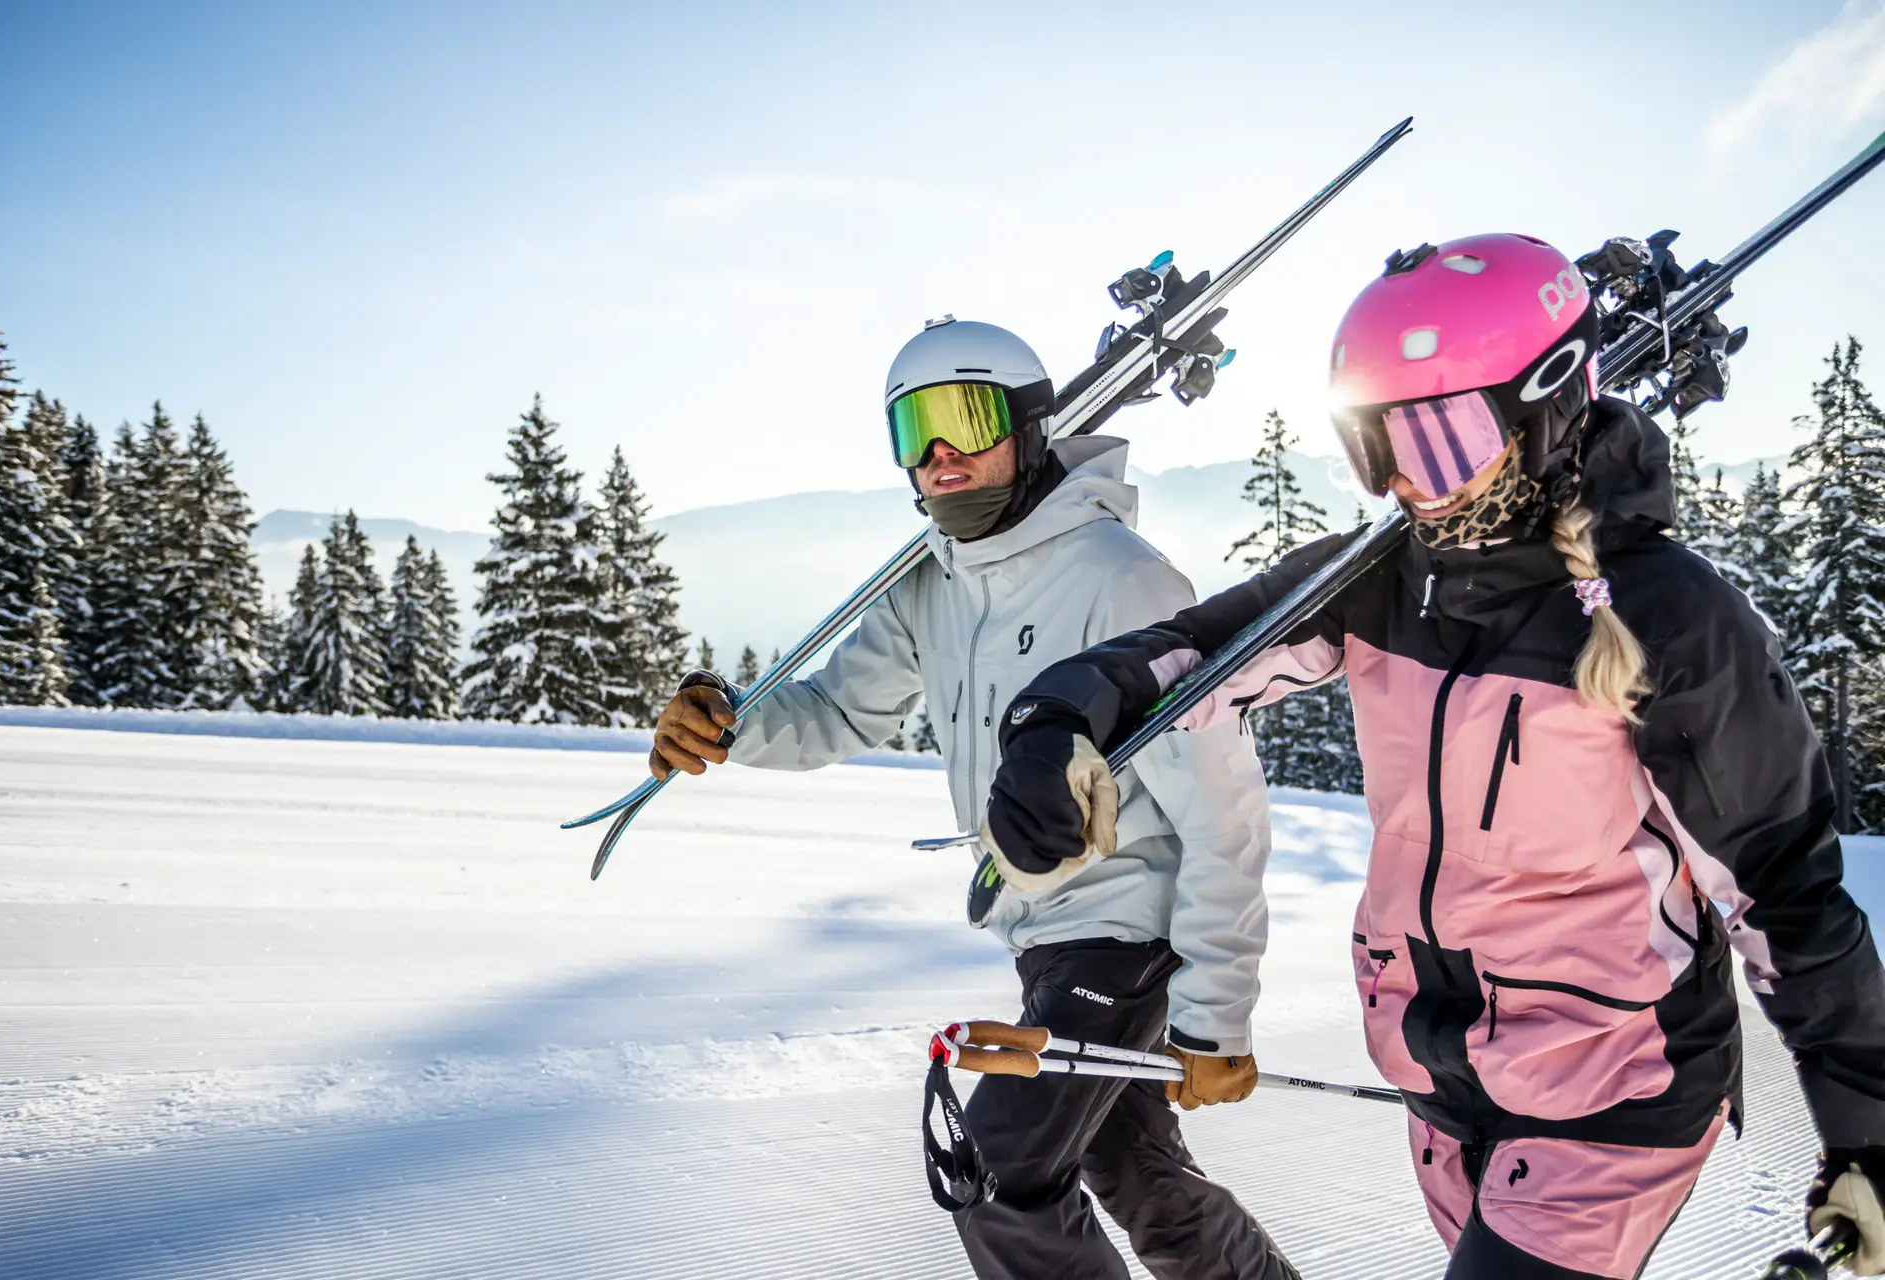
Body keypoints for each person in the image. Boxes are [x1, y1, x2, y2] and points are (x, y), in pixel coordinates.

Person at [977, 235, 1885, 1279]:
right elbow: (1179, 654)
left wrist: (1866, 1129)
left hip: (1614, 1088)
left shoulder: (1667, 622)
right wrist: (1056, 724)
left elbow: (1786, 891)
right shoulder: (1383, 578)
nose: (1413, 487)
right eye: (1377, 448)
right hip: (1444, 1087)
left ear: (1548, 406)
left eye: (1443, 442)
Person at [646, 317, 1299, 1280]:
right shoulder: (930, 585)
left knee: (994, 1167)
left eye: (965, 420)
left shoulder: (1122, 580)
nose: (941, 457)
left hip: (1129, 933)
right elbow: (834, 710)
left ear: (1032, 428)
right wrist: (731, 724)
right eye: (915, 433)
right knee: (1137, 1171)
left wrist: (1216, 1013)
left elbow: (1223, 809)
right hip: (1040, 932)